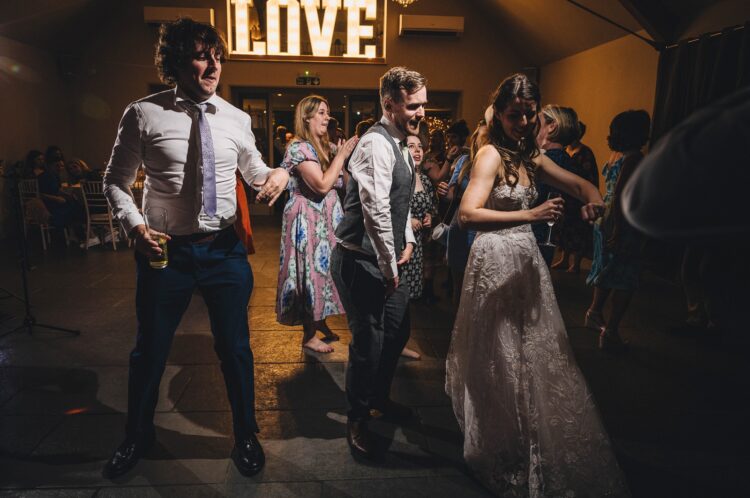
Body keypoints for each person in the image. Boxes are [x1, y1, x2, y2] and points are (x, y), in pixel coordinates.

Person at [102, 18, 289, 479]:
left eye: (218, 56)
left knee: (237, 348)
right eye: (202, 55)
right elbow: (115, 182)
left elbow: (256, 170)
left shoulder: (237, 118)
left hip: (224, 251)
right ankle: (137, 436)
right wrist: (135, 225)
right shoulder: (143, 114)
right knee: (150, 350)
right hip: (165, 252)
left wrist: (278, 175)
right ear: (175, 61)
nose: (213, 66)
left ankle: (245, 434)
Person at [445, 73, 629, 496]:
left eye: (530, 115)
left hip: (527, 264)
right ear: (500, 113)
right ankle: (499, 442)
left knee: (534, 354)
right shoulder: (490, 154)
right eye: (515, 115)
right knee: (499, 359)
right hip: (493, 262)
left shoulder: (529, 156)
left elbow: (582, 185)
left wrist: (594, 204)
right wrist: (530, 215)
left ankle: (529, 436)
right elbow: (469, 215)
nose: (524, 123)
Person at [331, 66, 425, 460]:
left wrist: (406, 241)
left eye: (424, 103)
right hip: (360, 262)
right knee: (368, 344)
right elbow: (375, 212)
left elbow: (400, 205)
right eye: (413, 105)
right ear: (389, 104)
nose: (422, 112)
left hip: (387, 260)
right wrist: (390, 268)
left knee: (397, 333)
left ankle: (380, 398)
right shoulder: (375, 144)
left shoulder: (403, 142)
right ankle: (357, 418)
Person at [276, 95, 359, 353]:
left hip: (326, 218)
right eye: (322, 113)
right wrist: (342, 154)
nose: (327, 118)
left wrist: (343, 157)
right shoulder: (299, 148)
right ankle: (309, 335)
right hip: (308, 219)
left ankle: (320, 321)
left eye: (327, 113)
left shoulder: (322, 147)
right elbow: (322, 186)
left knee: (327, 272)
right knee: (310, 271)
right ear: (306, 117)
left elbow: (344, 183)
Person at [585, 110, 651, 350]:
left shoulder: (615, 156)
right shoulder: (634, 158)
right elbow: (624, 194)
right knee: (626, 277)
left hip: (606, 216)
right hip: (620, 220)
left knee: (607, 270)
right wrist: (620, 230)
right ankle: (610, 331)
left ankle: (594, 313)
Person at [535, 105, 590, 274]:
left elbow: (536, 197)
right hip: (544, 232)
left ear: (552, 126)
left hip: (536, 232)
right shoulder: (561, 158)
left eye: (538, 121)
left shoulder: (551, 160)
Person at [560, 120, 599, 272]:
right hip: (566, 195)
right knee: (565, 228)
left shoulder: (585, 153)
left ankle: (576, 263)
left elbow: (590, 177)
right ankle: (564, 258)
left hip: (578, 197)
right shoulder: (564, 150)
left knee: (578, 230)